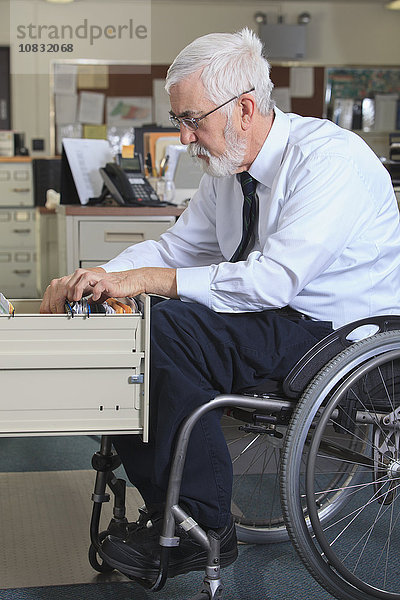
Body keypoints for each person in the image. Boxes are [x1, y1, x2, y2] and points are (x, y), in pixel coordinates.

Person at [40, 28, 400, 582]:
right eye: (179, 120)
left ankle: (200, 524)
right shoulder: (229, 171)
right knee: (136, 324)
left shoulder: (331, 161)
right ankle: (173, 511)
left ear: (246, 108)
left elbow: (275, 281)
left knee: (163, 331)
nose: (184, 137)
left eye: (192, 120)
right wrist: (100, 278)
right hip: (280, 321)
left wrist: (149, 281)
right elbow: (175, 248)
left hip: (340, 335)